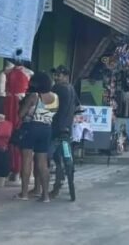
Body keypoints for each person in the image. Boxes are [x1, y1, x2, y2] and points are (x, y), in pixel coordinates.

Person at [16, 72, 57, 202]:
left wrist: (22, 104)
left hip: (31, 127)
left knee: (27, 160)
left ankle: (24, 194)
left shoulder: (34, 96)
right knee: (42, 163)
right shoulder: (55, 97)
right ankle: (45, 195)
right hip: (46, 129)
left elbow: (21, 114)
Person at [49, 65, 78, 199]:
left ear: (65, 76)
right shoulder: (71, 88)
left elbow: (48, 105)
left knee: (52, 156)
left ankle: (56, 184)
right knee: (67, 157)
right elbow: (77, 106)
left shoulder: (57, 88)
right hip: (67, 128)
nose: (56, 77)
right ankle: (68, 177)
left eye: (58, 75)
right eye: (55, 75)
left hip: (56, 128)